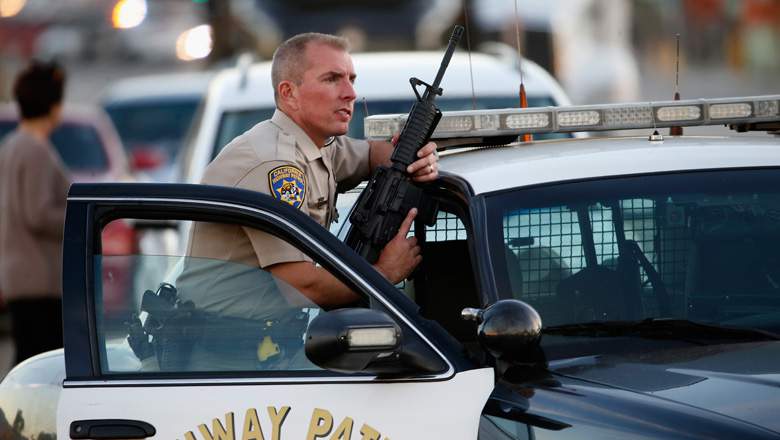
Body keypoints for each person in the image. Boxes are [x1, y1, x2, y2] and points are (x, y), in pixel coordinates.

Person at [173, 33, 438, 370]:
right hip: (226, 358)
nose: (350, 93)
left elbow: (373, 154)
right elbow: (301, 285)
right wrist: (383, 273)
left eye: (351, 80)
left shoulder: (317, 145)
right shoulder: (274, 162)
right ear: (289, 93)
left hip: (263, 347)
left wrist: (418, 158)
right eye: (332, 79)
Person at [0, 60, 70, 364]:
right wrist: (79, 220)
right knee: (41, 366)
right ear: (53, 104)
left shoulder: (12, 145)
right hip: (40, 278)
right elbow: (38, 213)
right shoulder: (35, 150)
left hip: (19, 276)